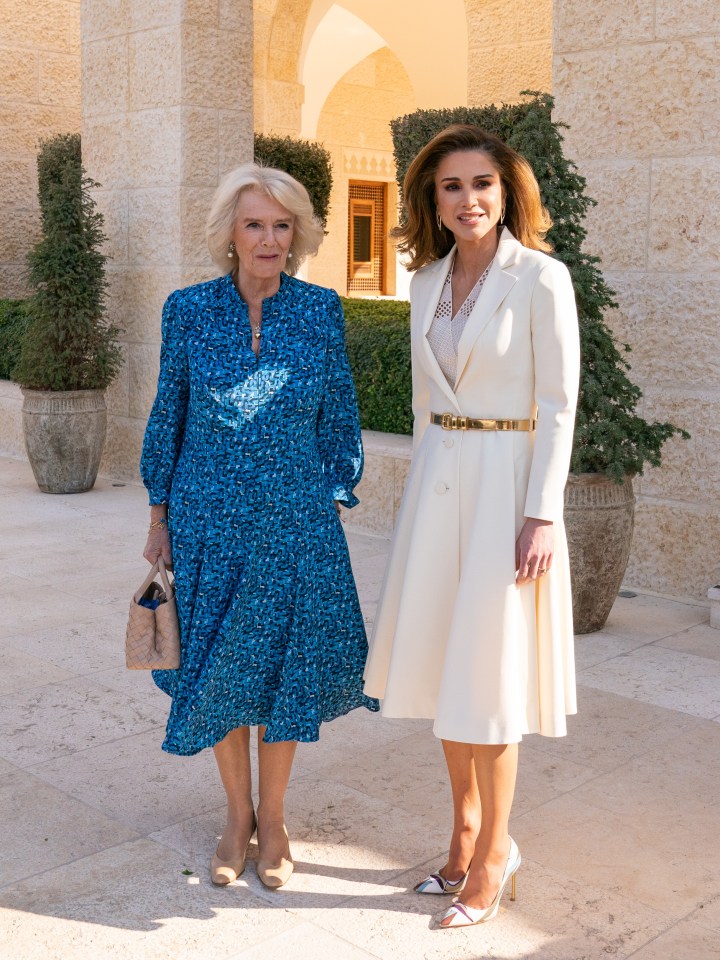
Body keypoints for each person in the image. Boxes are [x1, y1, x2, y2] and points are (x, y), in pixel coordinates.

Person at [363, 126, 580, 928]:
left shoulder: (542, 279)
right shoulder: (423, 283)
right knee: (443, 668)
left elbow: (558, 405)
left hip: (509, 491)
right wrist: (421, 491)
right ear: (433, 198)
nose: (469, 199)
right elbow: (428, 405)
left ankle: (495, 852)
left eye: (482, 182)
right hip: (440, 487)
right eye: (451, 186)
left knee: (489, 677)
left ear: (507, 190)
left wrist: (542, 512)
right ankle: (457, 835)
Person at [140, 163, 378, 890]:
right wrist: (159, 512)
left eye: (282, 225)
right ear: (230, 234)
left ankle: (273, 819)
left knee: (281, 672)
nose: (269, 239)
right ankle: (236, 814)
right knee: (218, 670)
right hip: (207, 520)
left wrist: (330, 493)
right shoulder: (187, 310)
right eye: (255, 224)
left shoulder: (319, 310)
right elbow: (168, 412)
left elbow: (339, 410)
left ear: (298, 233)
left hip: (293, 523)